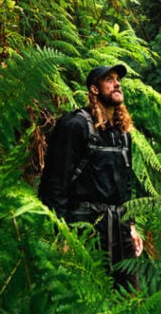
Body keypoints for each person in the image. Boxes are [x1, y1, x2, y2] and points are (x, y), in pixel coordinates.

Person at [39, 64, 143, 289]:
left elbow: (126, 185)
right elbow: (54, 183)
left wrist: (131, 226)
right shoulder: (75, 125)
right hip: (84, 228)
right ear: (94, 89)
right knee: (86, 295)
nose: (117, 84)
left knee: (129, 298)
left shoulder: (122, 134)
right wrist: (62, 233)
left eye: (118, 79)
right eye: (109, 79)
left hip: (119, 226)